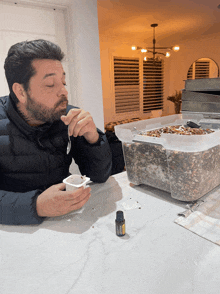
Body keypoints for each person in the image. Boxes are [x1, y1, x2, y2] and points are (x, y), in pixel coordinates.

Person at [0, 39, 112, 225]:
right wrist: (35, 205)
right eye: (51, 85)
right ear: (20, 91)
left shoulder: (67, 116)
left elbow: (99, 176)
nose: (64, 92)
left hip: (66, 221)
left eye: (63, 82)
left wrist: (93, 139)